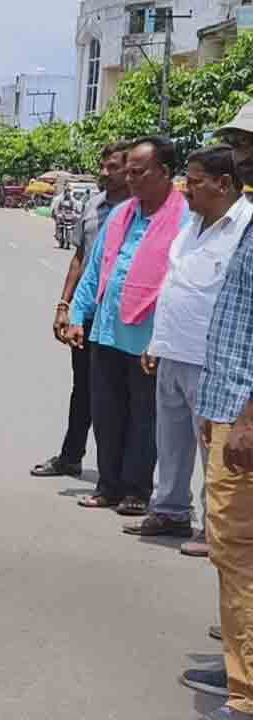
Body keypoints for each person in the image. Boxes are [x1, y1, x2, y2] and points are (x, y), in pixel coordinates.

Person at [128, 147, 250, 540]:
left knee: (212, 449)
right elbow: (174, 285)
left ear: (223, 183)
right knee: (171, 444)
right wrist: (156, 342)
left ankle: (213, 529)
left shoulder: (243, 229)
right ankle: (170, 510)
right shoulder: (189, 227)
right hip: (172, 352)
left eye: (194, 182)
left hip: (212, 362)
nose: (185, 190)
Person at [66, 137, 187, 517]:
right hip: (106, 331)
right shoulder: (121, 214)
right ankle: (108, 485)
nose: (130, 179)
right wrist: (76, 314)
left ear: (164, 172)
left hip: (148, 338)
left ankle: (136, 490)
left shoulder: (184, 219)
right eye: (129, 171)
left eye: (139, 172)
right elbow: (94, 269)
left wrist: (163, 338)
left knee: (144, 417)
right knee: (106, 412)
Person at [185, 102, 253, 720]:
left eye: (248, 143)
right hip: (229, 402)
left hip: (246, 413)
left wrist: (247, 418)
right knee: (230, 548)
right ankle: (238, 661)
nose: (240, 154)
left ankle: (247, 689)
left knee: (238, 545)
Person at [32, 142, 132, 479]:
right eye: (103, 165)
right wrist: (65, 305)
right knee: (84, 388)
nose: (105, 172)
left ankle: (121, 474)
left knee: (123, 395)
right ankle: (70, 456)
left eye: (113, 166)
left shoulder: (141, 211)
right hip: (88, 314)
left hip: (124, 317)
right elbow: (79, 257)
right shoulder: (93, 205)